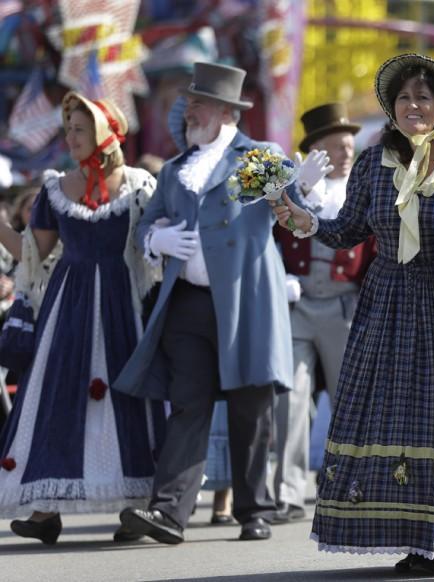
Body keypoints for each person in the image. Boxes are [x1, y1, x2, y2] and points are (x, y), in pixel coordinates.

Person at [273, 53, 434, 574]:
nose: (414, 105)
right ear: (392, 108)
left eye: (424, 97)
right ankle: (415, 539)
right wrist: (302, 218)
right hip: (388, 302)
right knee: (395, 415)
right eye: (405, 98)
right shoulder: (373, 162)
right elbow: (347, 230)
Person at [113, 62, 298, 545]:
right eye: (189, 103)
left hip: (245, 302)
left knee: (249, 408)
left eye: (196, 103)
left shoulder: (258, 155)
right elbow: (144, 226)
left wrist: (300, 185)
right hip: (188, 306)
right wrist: (158, 238)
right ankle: (168, 511)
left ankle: (254, 509)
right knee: (188, 406)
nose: (187, 110)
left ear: (223, 110)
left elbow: (291, 209)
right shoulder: (176, 170)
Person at [0, 92, 165, 544]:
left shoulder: (139, 185)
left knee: (127, 394)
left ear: (104, 133)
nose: (70, 137)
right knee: (58, 397)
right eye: (68, 128)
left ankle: (137, 505)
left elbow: (156, 247)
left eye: (79, 128)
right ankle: (44, 511)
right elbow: (32, 257)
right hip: (67, 307)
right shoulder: (56, 187)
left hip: (122, 302)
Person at [272, 102, 376, 524]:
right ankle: (287, 492)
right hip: (297, 305)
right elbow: (267, 230)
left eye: (349, 145)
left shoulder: (363, 188)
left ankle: (351, 484)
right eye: (336, 145)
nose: (346, 153)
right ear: (315, 150)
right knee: (291, 399)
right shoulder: (291, 187)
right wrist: (296, 189)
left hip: (343, 304)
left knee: (349, 399)